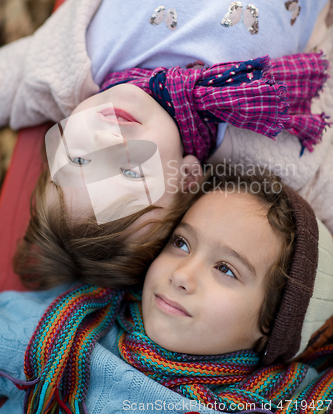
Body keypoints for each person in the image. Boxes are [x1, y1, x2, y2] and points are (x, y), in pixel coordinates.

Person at [1, 0, 333, 287]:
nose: (108, 140)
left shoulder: (63, 74)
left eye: (80, 159)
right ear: (188, 177)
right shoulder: (254, 139)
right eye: (130, 173)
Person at [1, 171, 333, 414]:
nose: (181, 275)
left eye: (226, 269)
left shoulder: (292, 400)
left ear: (276, 324)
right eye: (181, 243)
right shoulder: (65, 326)